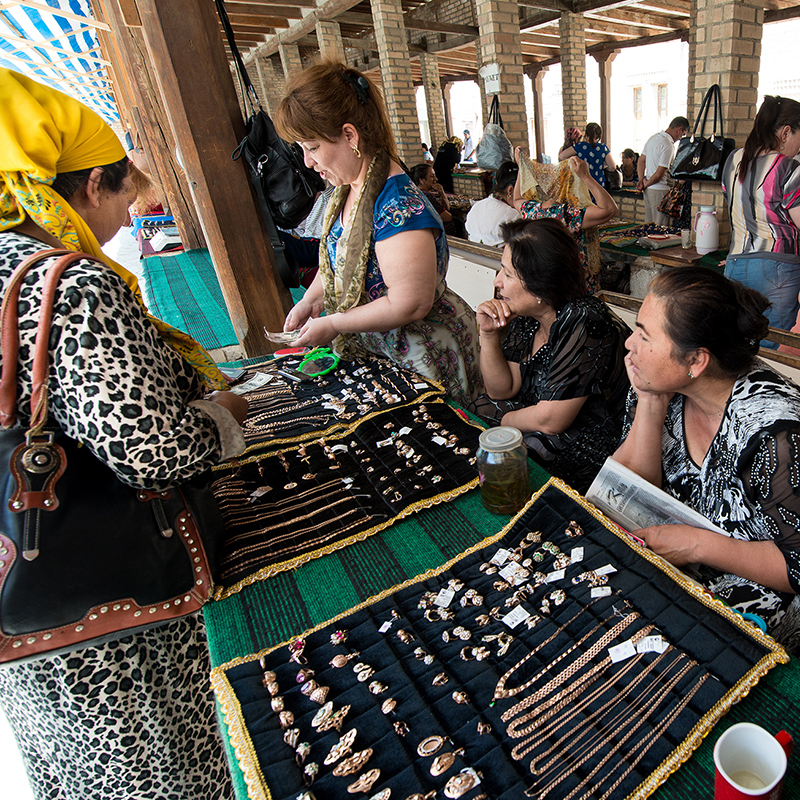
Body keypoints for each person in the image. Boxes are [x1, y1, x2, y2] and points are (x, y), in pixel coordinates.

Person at [0, 69, 247, 798]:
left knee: (69, 757)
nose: (126, 218)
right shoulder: (72, 284)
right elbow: (152, 450)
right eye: (123, 197)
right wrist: (222, 418)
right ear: (91, 186)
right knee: (155, 763)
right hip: (107, 603)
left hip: (21, 574)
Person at [615, 267, 800, 651]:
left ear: (696, 361)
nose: (630, 343)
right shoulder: (660, 383)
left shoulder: (775, 433)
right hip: (679, 561)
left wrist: (697, 545)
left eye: (644, 335)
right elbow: (625, 496)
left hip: (760, 590)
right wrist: (650, 404)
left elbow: (797, 565)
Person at [275, 62, 481, 406]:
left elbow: (409, 302)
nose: (308, 162)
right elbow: (340, 257)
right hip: (378, 350)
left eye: (312, 147)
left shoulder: (397, 207)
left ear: (350, 136)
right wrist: (311, 300)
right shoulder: (349, 190)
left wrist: (335, 324)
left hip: (419, 356)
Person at [470, 218, 630, 493]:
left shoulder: (585, 319)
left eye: (508, 274)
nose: (497, 282)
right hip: (548, 420)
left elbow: (552, 420)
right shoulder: (530, 316)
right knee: (481, 409)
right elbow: (501, 389)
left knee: (515, 445)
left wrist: (502, 422)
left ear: (540, 284)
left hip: (594, 437)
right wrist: (488, 334)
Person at [722, 95, 800, 341]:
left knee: (740, 342)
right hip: (776, 268)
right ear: (786, 132)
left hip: (735, 263)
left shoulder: (733, 161)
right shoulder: (787, 167)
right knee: (773, 343)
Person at [513, 149, 618, 292]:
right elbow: (609, 209)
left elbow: (517, 199)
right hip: (573, 285)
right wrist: (586, 177)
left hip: (547, 285)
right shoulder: (566, 215)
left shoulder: (533, 212)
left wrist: (522, 167)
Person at [637, 116, 690, 225]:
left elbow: (641, 161)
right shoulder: (668, 145)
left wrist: (641, 180)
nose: (680, 138)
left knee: (648, 226)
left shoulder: (653, 139)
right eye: (683, 134)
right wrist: (646, 183)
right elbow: (659, 174)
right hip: (659, 190)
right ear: (679, 129)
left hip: (648, 190)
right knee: (660, 227)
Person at [465, 160, 521, 246]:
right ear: (510, 190)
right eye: (524, 193)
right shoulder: (513, 215)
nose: (526, 199)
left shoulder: (476, 206)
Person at [409, 162, 466, 238]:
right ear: (422, 180)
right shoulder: (427, 196)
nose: (436, 179)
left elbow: (446, 208)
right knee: (458, 221)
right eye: (432, 176)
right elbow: (447, 217)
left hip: (425, 232)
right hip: (439, 234)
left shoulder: (413, 193)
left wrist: (441, 193)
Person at [558, 122, 616, 188]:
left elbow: (562, 156)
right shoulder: (603, 148)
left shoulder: (579, 146)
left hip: (583, 184)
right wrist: (601, 168)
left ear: (586, 133)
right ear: (599, 136)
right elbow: (612, 167)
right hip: (598, 185)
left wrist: (575, 162)